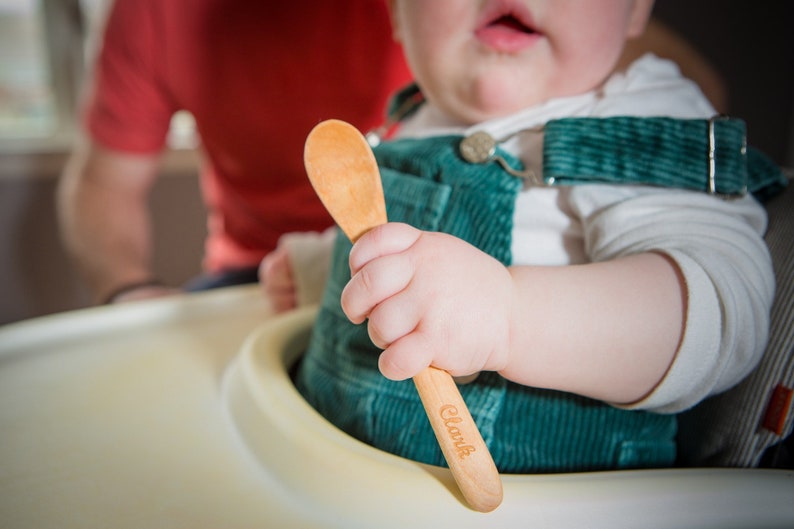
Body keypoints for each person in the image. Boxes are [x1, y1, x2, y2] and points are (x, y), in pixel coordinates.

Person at [285, 0, 785, 473]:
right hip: (336, 469)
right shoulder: (413, 117)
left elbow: (721, 313)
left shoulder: (639, 119)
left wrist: (511, 315)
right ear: (396, 9)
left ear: (634, 8)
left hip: (548, 499)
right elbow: (394, 249)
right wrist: (326, 268)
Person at [57, 0, 413, 305]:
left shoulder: (434, 17)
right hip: (251, 276)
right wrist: (130, 289)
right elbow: (103, 186)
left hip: (406, 257)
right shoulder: (154, 10)